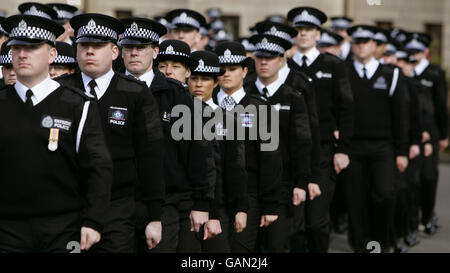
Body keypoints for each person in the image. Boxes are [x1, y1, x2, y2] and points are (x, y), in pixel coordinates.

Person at [0, 14, 112, 253]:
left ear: (52, 54)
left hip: (63, 227)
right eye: (16, 48)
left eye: (31, 47)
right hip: (6, 228)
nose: (22, 55)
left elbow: (98, 167)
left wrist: (93, 221)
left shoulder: (77, 105)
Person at [56, 13, 165, 253]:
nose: (90, 51)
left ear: (115, 52)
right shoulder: (60, 91)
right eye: (84, 45)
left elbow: (151, 155)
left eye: (98, 45)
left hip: (118, 206)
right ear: (76, 51)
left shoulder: (135, 93)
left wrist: (154, 216)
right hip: (68, 204)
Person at [119, 18, 214, 253]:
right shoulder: (108, 90)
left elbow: (196, 151)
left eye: (141, 48)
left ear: (155, 51)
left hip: (166, 201)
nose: (134, 53)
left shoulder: (177, 96)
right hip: (118, 201)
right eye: (128, 47)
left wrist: (201, 203)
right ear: (119, 52)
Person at [287, 6, 354, 252]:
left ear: (318, 34)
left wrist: (343, 149)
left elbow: (347, 109)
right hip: (290, 152)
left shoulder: (333, 65)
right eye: (299, 29)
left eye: (308, 29)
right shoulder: (284, 67)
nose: (303, 33)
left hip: (323, 152)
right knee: (294, 223)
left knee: (316, 221)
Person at [342, 25, 410, 252]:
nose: (361, 45)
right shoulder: (344, 72)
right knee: (356, 199)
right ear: (352, 45)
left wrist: (402, 151)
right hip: (352, 146)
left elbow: (400, 116)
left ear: (375, 46)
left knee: (384, 194)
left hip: (383, 147)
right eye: (357, 41)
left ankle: (382, 241)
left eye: (366, 41)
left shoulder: (391, 74)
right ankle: (361, 246)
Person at [213, 41, 283, 253]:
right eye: (221, 69)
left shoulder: (260, 107)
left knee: (241, 251)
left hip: (249, 193)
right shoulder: (205, 105)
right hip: (213, 194)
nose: (226, 74)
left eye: (232, 69)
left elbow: (271, 158)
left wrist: (270, 203)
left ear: (244, 70)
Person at [246, 33, 312, 253]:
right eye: (259, 57)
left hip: (282, 183)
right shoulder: (244, 93)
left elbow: (302, 142)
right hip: (249, 182)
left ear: (282, 60)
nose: (264, 62)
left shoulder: (292, 97)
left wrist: (301, 182)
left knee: (277, 244)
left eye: (271, 57)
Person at [185, 50, 248, 253]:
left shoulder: (227, 120)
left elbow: (235, 167)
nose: (199, 84)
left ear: (215, 82)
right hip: (184, 205)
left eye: (205, 79)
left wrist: (239, 208)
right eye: (194, 78)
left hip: (219, 207)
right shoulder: (178, 116)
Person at [405, 32, 448, 235]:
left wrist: (444, 135)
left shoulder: (434, 72)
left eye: (417, 51)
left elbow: (441, 106)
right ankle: (412, 220)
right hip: (411, 130)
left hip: (431, 131)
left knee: (429, 176)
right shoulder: (405, 71)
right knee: (412, 178)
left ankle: (428, 215)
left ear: (426, 52)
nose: (414, 54)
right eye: (411, 51)